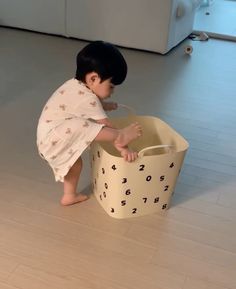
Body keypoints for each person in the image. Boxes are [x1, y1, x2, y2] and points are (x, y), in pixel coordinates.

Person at [36, 41, 142, 206]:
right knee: (86, 126)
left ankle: (69, 195)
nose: (112, 92)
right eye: (111, 87)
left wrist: (105, 105)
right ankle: (122, 137)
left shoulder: (75, 85)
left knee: (75, 164)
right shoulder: (89, 99)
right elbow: (105, 124)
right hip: (53, 137)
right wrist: (123, 144)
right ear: (93, 78)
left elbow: (82, 106)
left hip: (48, 138)